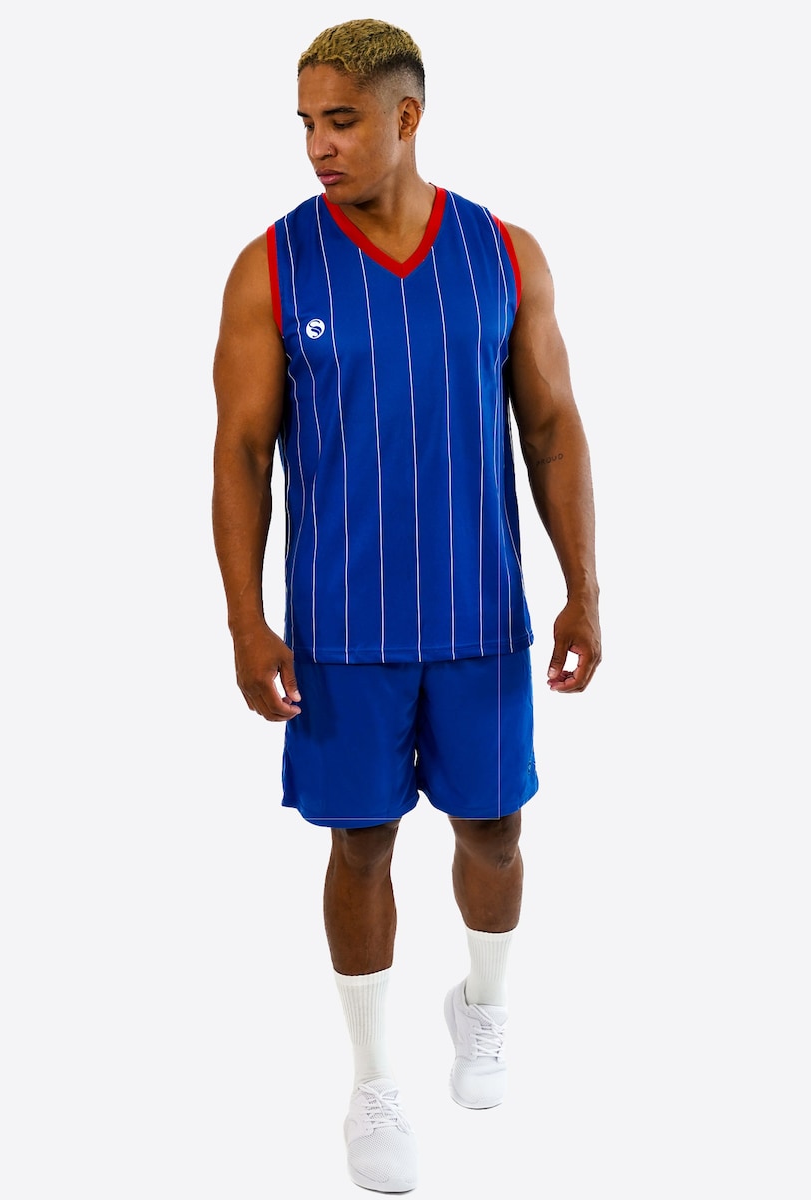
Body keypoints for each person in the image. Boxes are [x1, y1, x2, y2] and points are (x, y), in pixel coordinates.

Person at [211, 18, 601, 1193]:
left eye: (340, 121)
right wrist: (245, 620)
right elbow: (240, 453)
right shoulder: (272, 268)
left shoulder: (503, 254)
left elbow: (552, 428)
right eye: (306, 124)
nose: (318, 146)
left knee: (495, 833)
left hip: (480, 615)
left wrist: (584, 589)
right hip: (342, 630)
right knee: (361, 845)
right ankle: (374, 1084)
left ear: (407, 117)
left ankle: (484, 1006)